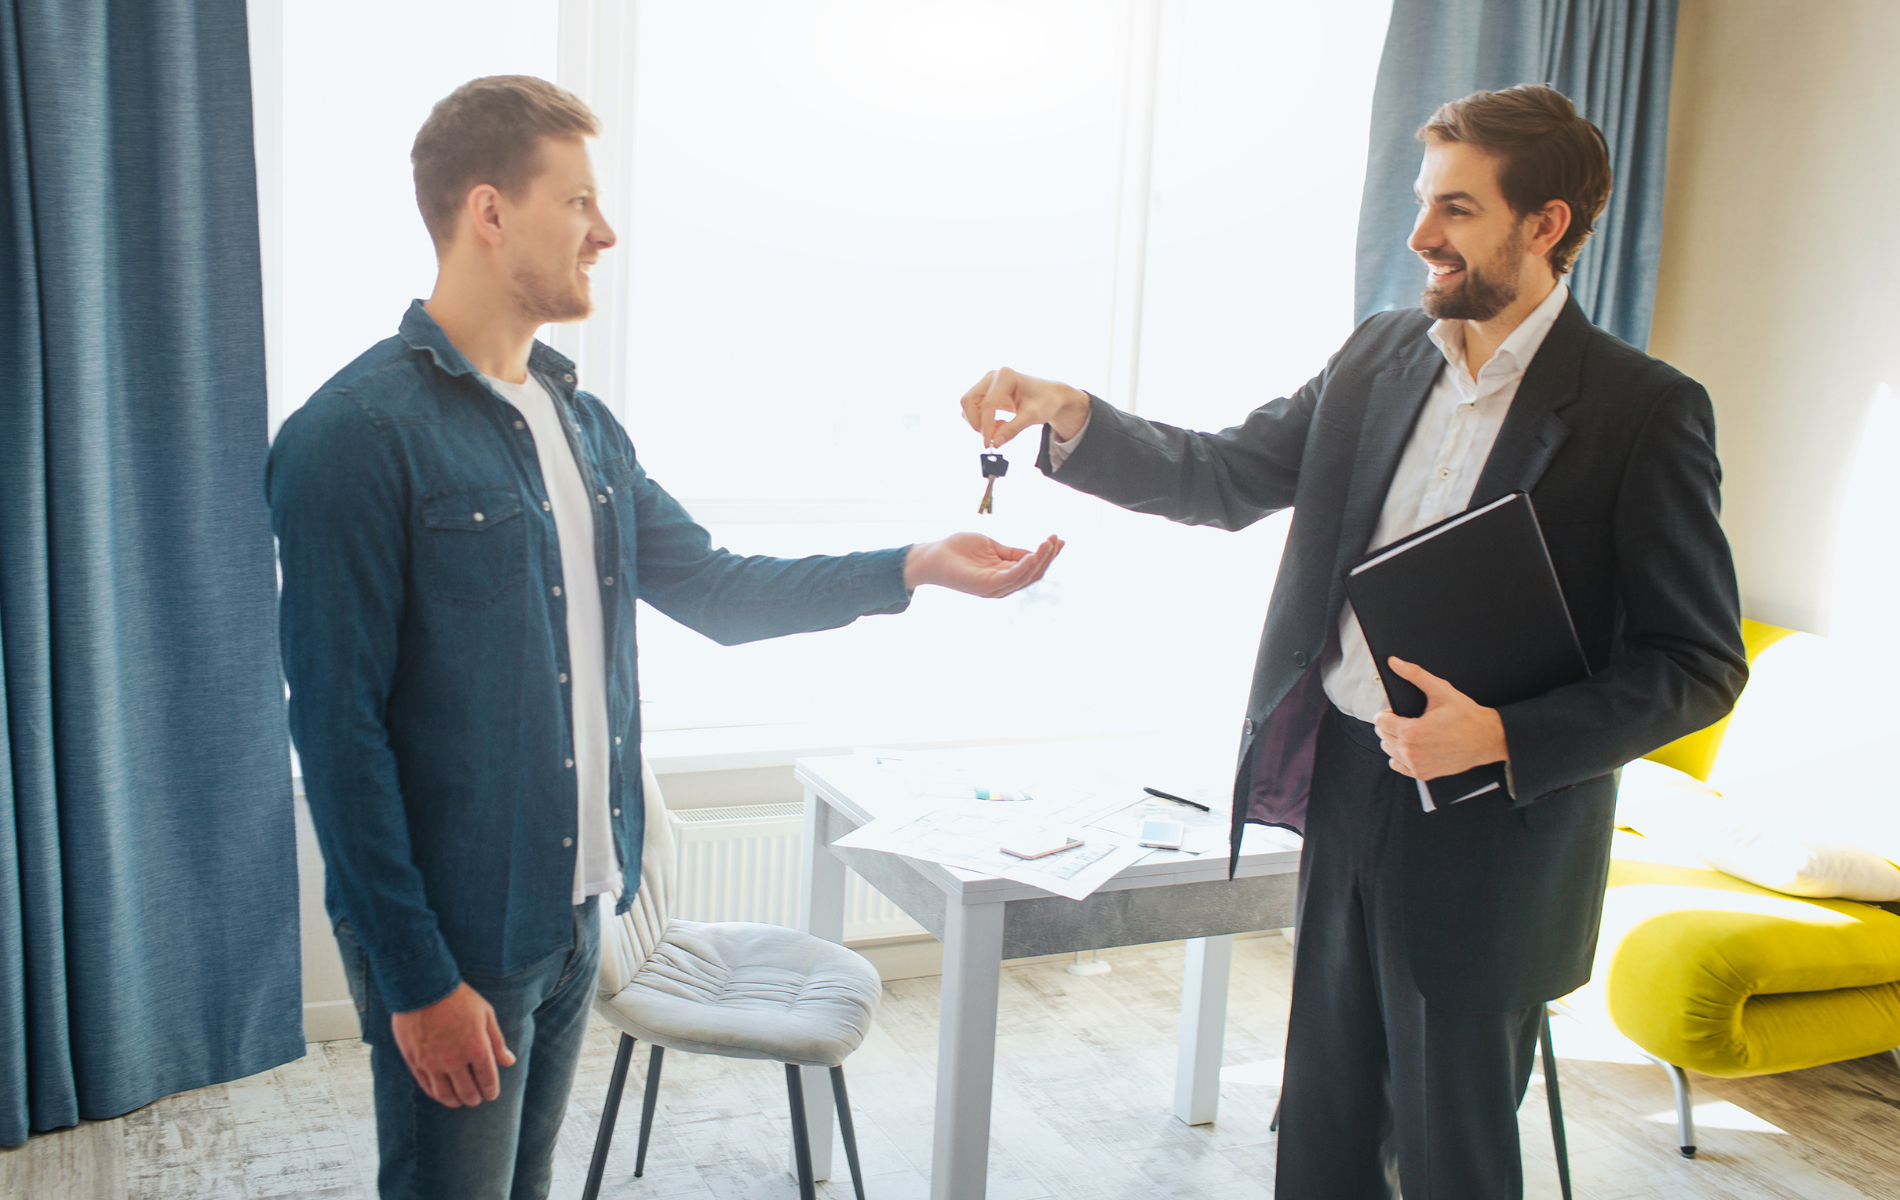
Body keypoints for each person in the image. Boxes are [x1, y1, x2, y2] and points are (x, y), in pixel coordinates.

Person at [267, 75, 1062, 1200]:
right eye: (578, 199)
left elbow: (719, 589)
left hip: (578, 906)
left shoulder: (582, 425)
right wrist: (414, 979)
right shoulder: (350, 439)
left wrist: (912, 568)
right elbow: (340, 740)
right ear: (489, 212)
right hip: (458, 940)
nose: (607, 230)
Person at [960, 84, 1746, 1200]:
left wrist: (1505, 736)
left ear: (1546, 225)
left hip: (1495, 835)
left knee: (1449, 1153)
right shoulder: (1379, 353)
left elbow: (1697, 662)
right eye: (1425, 203)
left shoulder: (1641, 410)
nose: (1420, 235)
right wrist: (1070, 411)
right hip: (1342, 783)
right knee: (1319, 1127)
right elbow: (1224, 474)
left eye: (1457, 210)